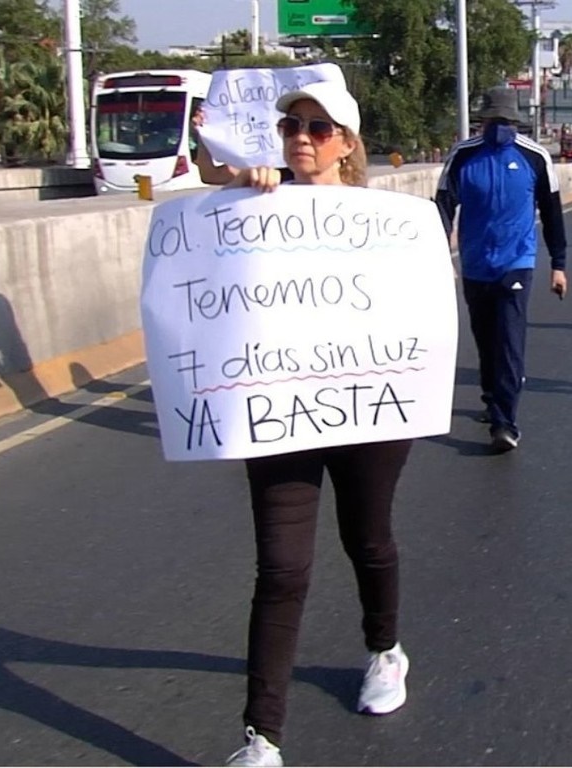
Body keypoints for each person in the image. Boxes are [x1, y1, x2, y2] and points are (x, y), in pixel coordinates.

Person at [217, 81, 413, 767]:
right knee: (282, 568)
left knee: (368, 540)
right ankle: (261, 737)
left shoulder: (382, 220)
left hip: (366, 411)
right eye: (291, 124)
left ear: (347, 144)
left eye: (319, 127)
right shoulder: (252, 207)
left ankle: (385, 650)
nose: (301, 137)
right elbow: (204, 235)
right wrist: (241, 184)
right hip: (279, 412)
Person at [435, 88, 568, 452]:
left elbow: (553, 212)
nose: (499, 128)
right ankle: (492, 395)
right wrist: (440, 255)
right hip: (476, 264)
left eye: (506, 122)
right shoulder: (464, 156)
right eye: (493, 122)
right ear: (482, 122)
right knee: (485, 338)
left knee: (509, 341)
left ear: (516, 122)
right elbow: (443, 205)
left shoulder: (534, 157)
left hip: (517, 262)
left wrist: (559, 264)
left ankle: (505, 421)